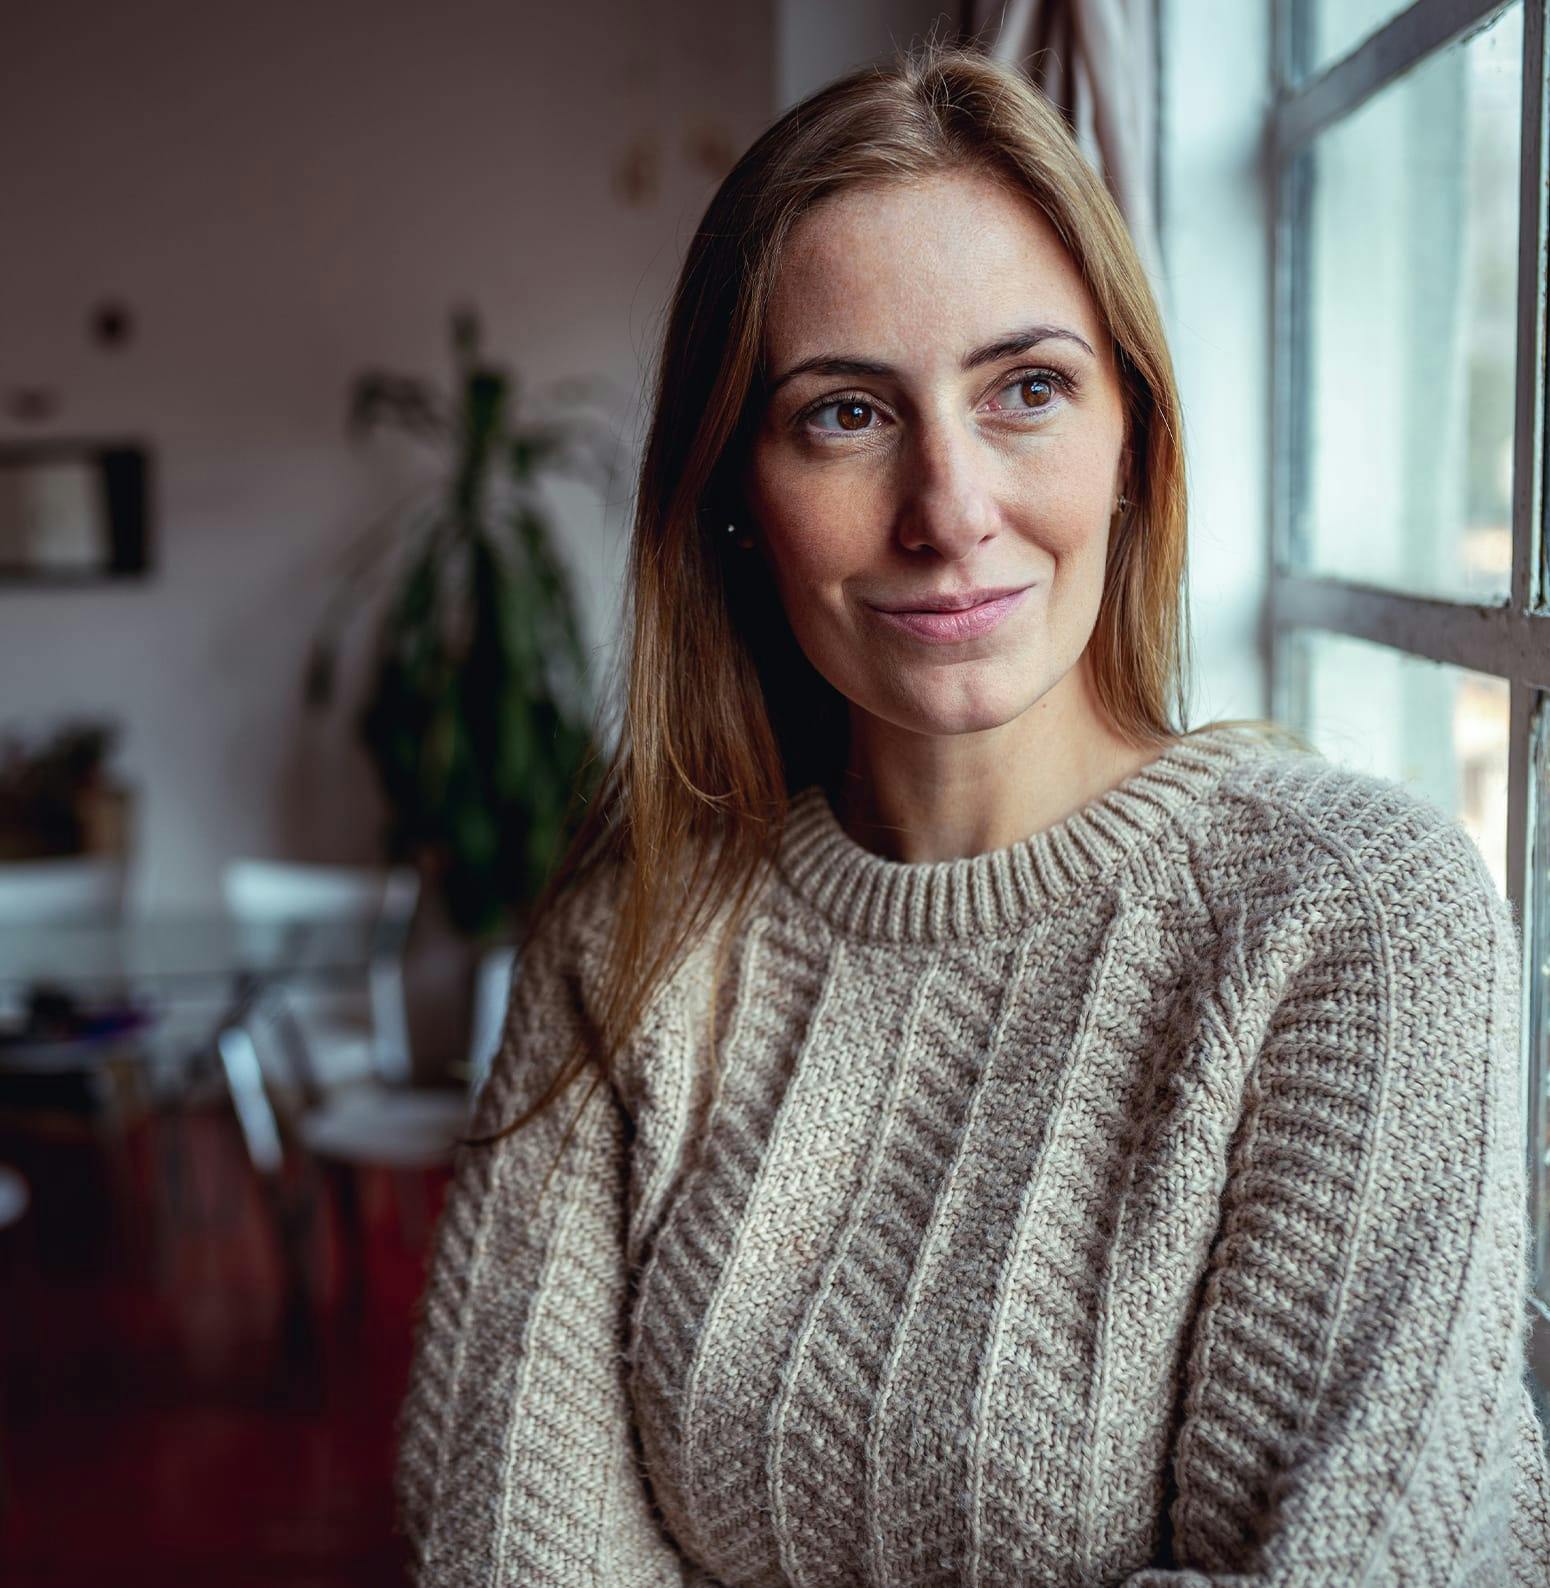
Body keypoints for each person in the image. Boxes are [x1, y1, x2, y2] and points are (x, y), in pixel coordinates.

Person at [394, 39, 1550, 1587]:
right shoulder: (635, 925)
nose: (949, 512)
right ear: (735, 492)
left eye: (1025, 390)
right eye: (844, 415)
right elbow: (505, 1547)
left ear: (1129, 440)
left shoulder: (1351, 919)